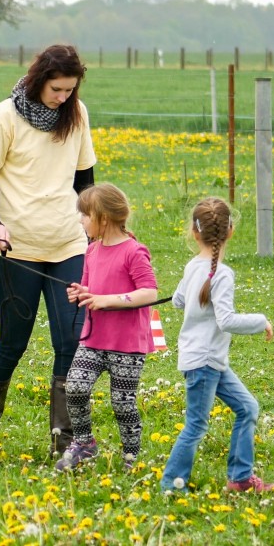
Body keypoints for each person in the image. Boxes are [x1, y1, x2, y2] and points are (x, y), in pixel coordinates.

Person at [0, 44, 96, 454]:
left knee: (71, 343)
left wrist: (96, 227)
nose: (63, 97)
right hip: (15, 250)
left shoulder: (77, 115)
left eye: (70, 90)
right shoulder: (3, 117)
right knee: (13, 341)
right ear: (40, 80)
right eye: (57, 89)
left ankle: (65, 441)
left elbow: (85, 180)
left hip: (69, 245)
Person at [160, 197, 274, 493]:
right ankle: (171, 485)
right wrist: (260, 320)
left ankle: (240, 479)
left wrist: (189, 287)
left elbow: (177, 301)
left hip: (208, 359)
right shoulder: (221, 274)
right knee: (196, 425)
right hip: (204, 360)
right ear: (231, 231)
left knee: (248, 407)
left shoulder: (193, 266)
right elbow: (225, 320)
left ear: (194, 232)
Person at [55, 184, 158, 471]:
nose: (81, 221)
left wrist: (105, 299)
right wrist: (82, 293)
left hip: (126, 344)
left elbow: (148, 292)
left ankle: (131, 455)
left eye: (85, 215)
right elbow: (93, 287)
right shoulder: (91, 251)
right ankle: (85, 444)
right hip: (93, 338)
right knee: (74, 386)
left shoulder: (134, 251)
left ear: (103, 217)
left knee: (123, 403)